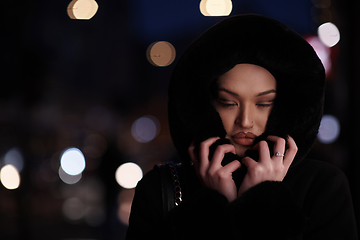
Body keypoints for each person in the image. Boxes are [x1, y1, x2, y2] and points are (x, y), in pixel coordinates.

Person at [126, 14, 358, 240]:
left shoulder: (323, 187)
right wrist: (215, 204)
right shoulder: (160, 188)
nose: (245, 120)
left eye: (264, 103)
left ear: (284, 108)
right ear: (205, 107)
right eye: (228, 103)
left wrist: (262, 203)